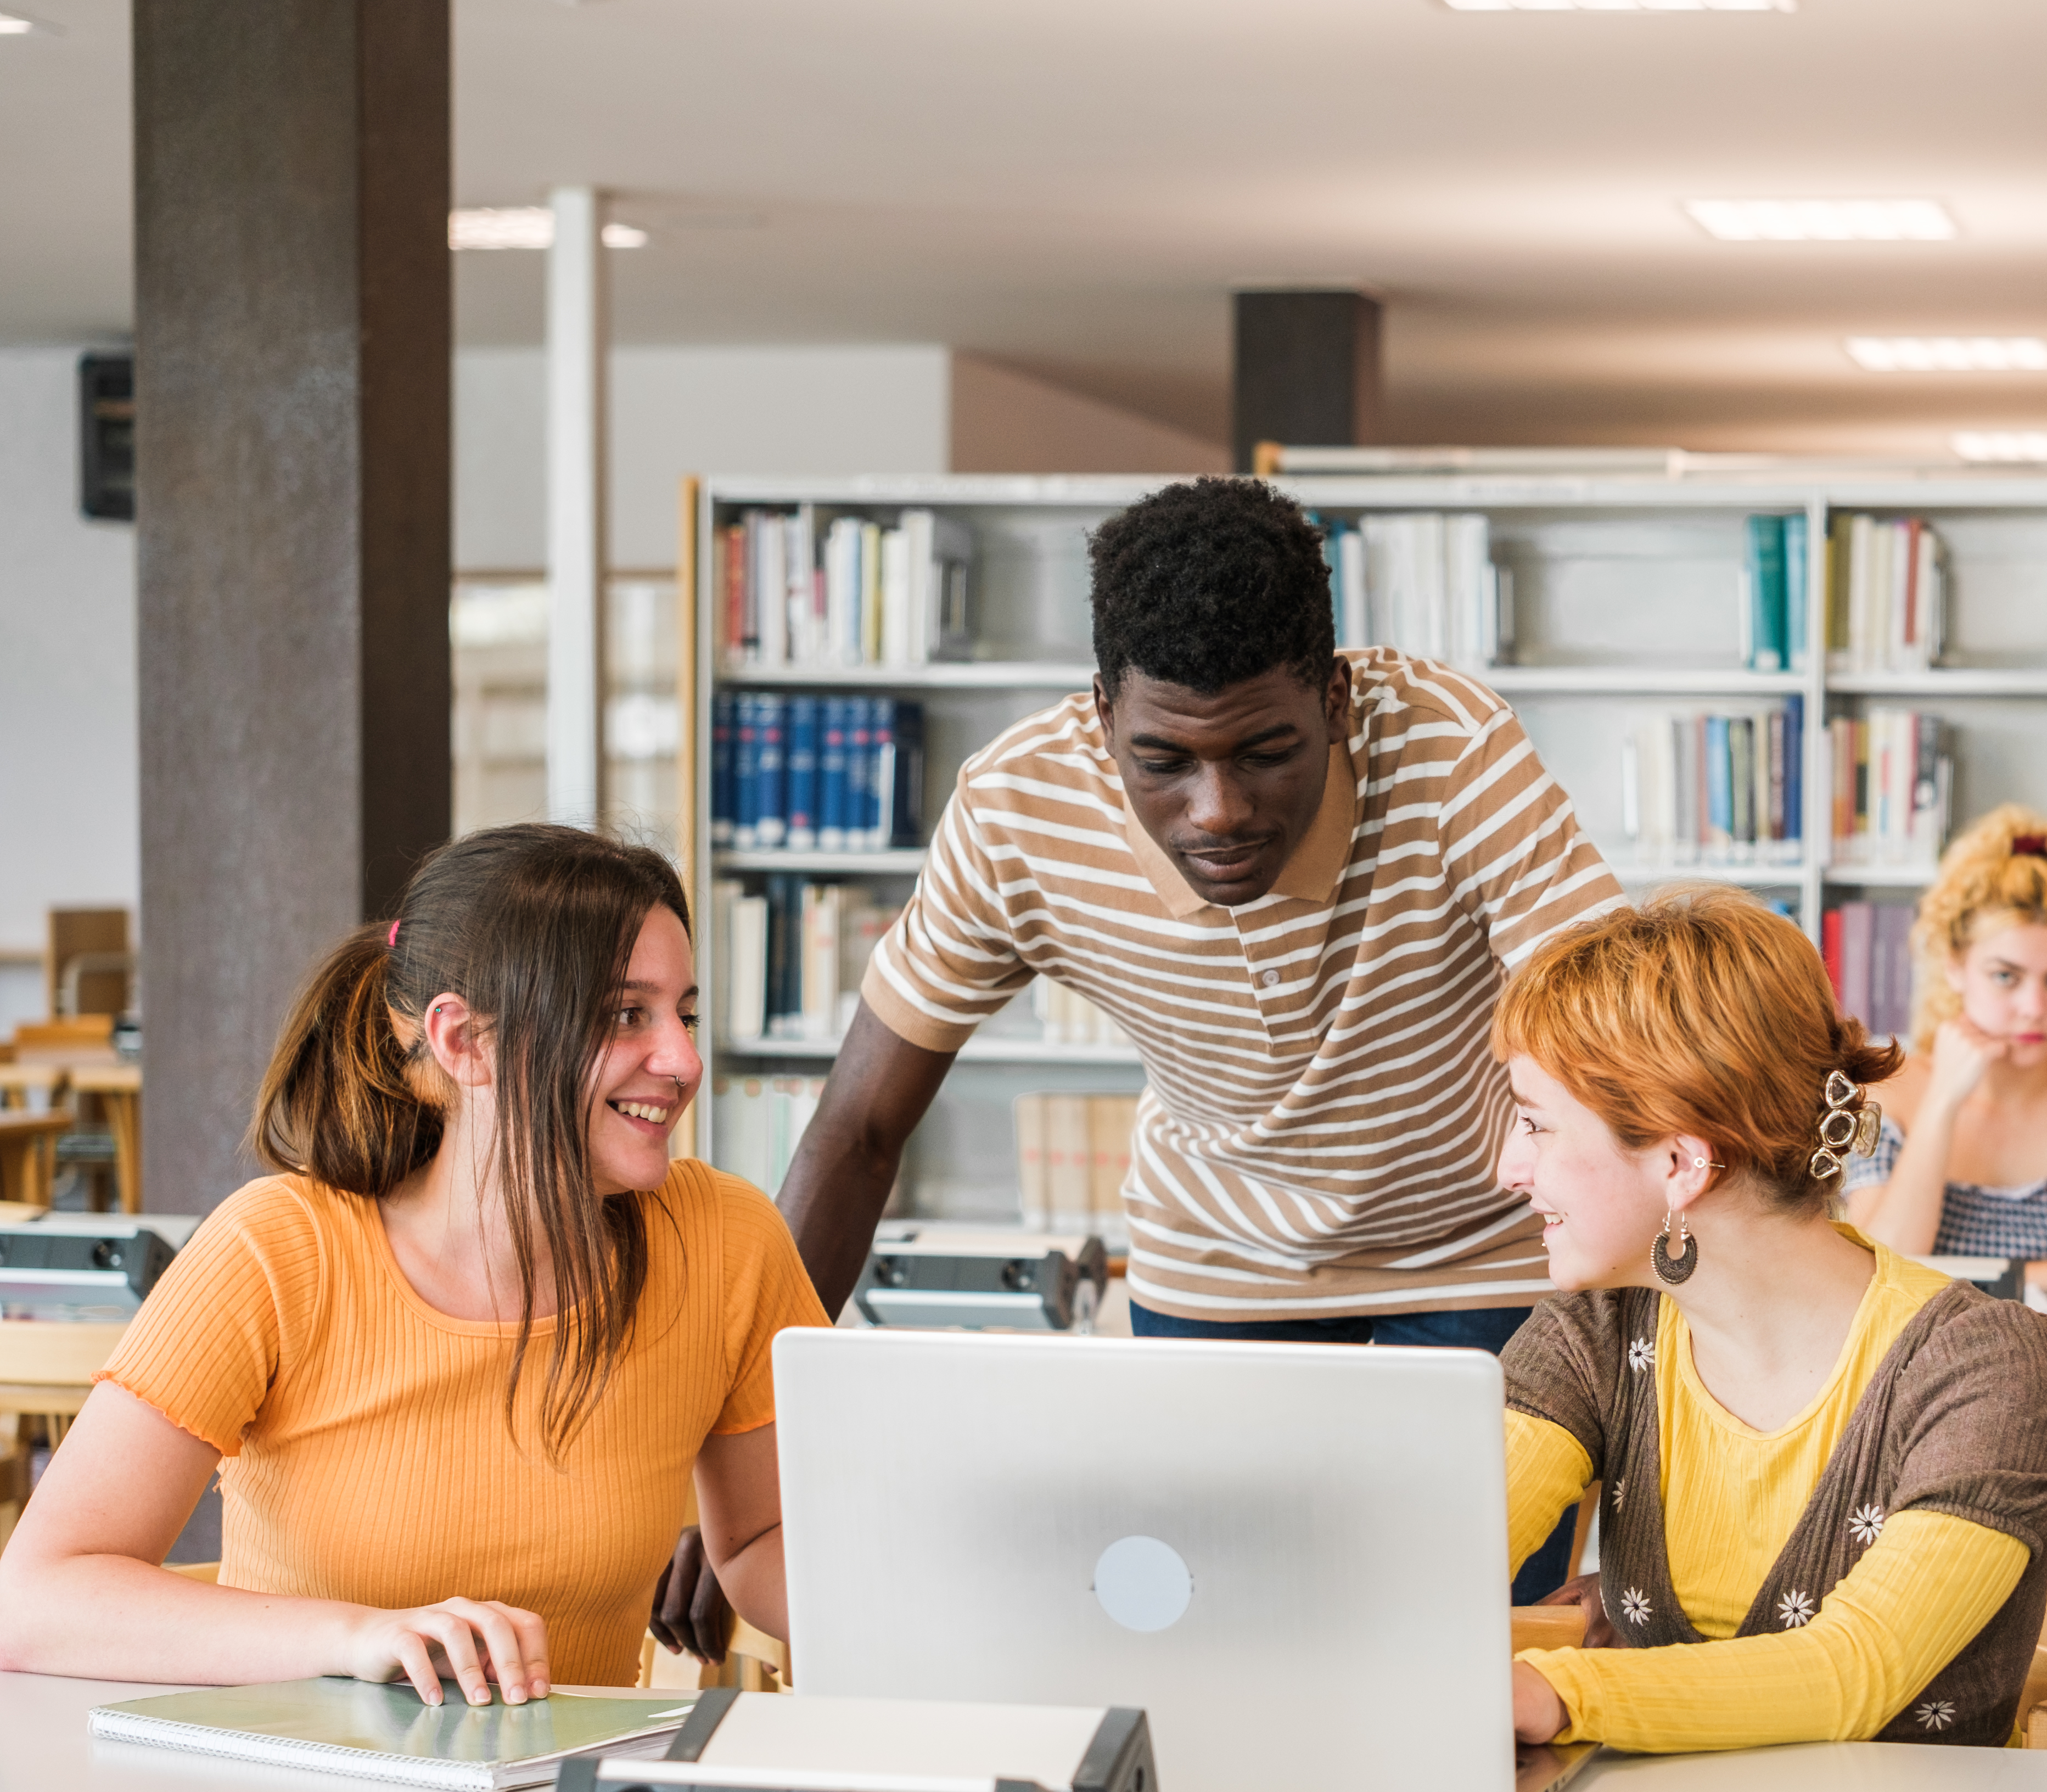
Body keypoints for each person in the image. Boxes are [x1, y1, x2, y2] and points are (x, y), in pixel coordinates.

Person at [652, 475, 1624, 1653]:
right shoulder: (1018, 813)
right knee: (1209, 1640)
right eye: (1163, 759)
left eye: (1267, 751)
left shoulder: (1454, 749)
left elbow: (1615, 1049)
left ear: (1336, 695)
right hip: (1218, 1261)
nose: (1217, 810)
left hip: (1482, 1249)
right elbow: (858, 1131)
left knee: (1465, 1652)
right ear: (1101, 709)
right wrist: (755, 1465)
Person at [0, 826, 830, 1699]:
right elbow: (33, 1597)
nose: (684, 1060)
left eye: (684, 1014)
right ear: (464, 1041)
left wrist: (953, 1608)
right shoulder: (278, 1250)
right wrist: (357, 1636)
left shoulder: (727, 1241)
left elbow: (758, 1543)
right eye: (628, 1015)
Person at [1490, 888, 2047, 1751]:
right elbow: (1437, 1559)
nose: (1510, 1169)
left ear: (1680, 1161)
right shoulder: (1597, 1327)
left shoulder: (1993, 1371)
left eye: (1537, 1127)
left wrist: (1558, 1689)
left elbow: (1853, 1675)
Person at [1838, 807, 2047, 1672]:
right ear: (1954, 966)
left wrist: (1988, 1283)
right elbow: (1880, 1267)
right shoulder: (1896, 1086)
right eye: (2006, 975)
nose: (2036, 1006)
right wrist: (1947, 1097)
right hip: (1922, 1414)